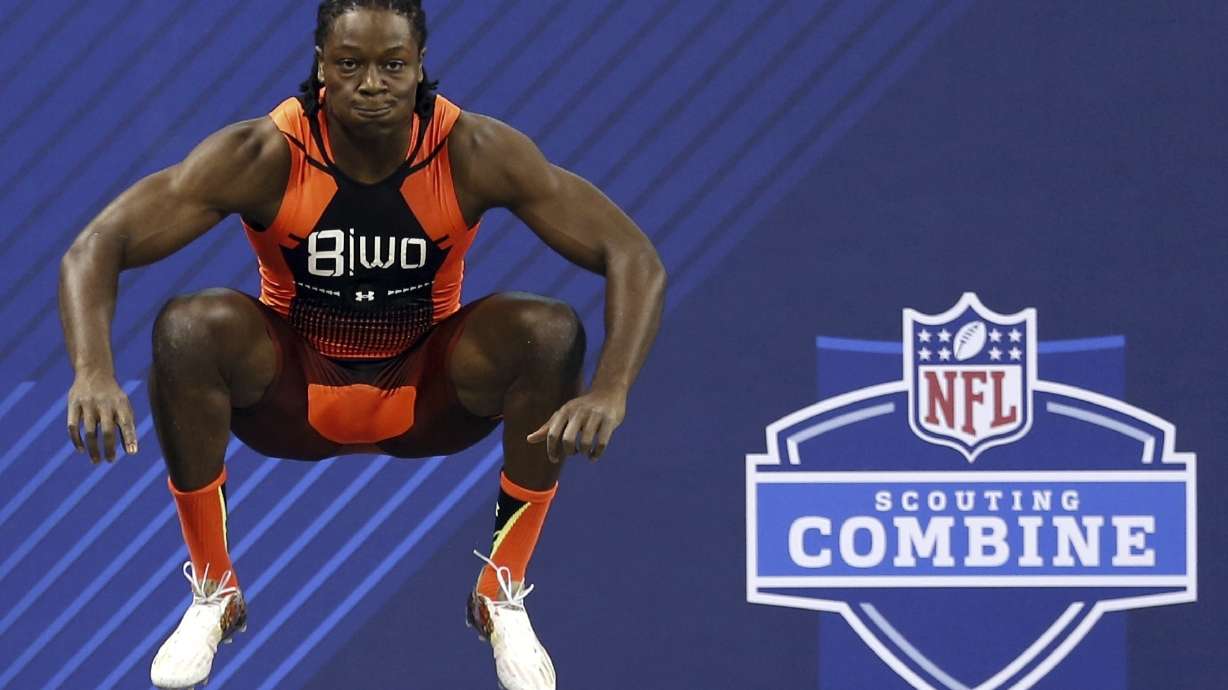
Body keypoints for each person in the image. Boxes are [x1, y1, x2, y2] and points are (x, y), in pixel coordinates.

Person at [57, 1, 666, 688]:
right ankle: (215, 591)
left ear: (419, 68)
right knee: (190, 326)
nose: (371, 83)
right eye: (350, 64)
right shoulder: (263, 154)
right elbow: (96, 247)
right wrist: (92, 370)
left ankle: (501, 588)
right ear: (321, 68)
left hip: (428, 393)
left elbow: (632, 256)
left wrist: (612, 387)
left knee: (549, 331)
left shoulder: (472, 151)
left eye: (391, 66)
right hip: (293, 393)